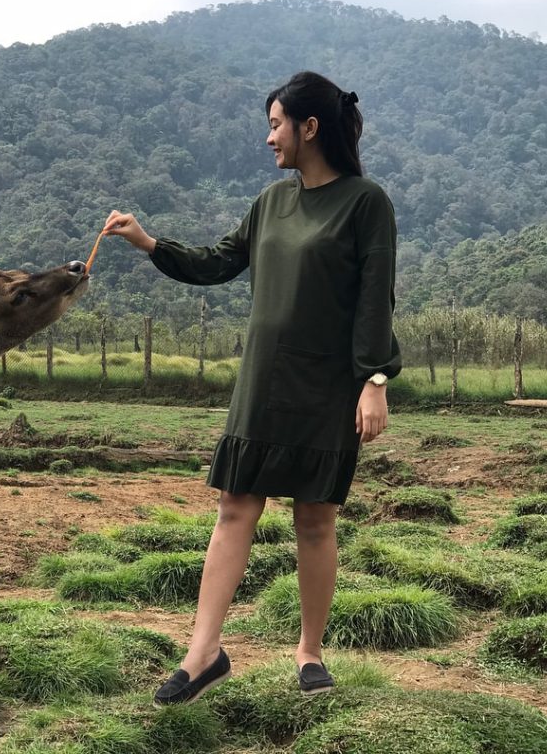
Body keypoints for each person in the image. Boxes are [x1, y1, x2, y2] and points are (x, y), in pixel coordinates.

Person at [103, 70, 401, 705]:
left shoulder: (365, 202)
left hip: (325, 386)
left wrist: (374, 380)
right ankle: (203, 652)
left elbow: (376, 298)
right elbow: (218, 262)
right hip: (263, 381)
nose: (269, 138)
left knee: (315, 518)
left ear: (309, 127)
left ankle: (309, 653)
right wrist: (150, 243)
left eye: (275, 124)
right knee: (235, 506)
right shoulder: (271, 202)